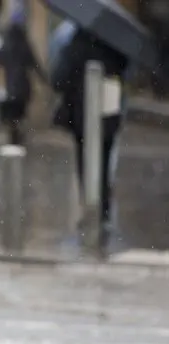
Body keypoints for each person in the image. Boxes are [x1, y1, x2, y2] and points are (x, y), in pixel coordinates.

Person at [52, 29, 129, 235]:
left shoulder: (74, 46)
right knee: (104, 161)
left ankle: (89, 207)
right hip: (108, 116)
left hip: (80, 116)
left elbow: (58, 80)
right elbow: (123, 72)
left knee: (84, 162)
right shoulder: (115, 47)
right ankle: (102, 209)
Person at [0, 10, 46, 145]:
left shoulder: (5, 44)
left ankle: (12, 136)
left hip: (9, 87)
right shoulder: (24, 45)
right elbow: (35, 64)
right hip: (22, 88)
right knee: (19, 114)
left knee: (10, 116)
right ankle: (17, 137)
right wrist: (45, 80)